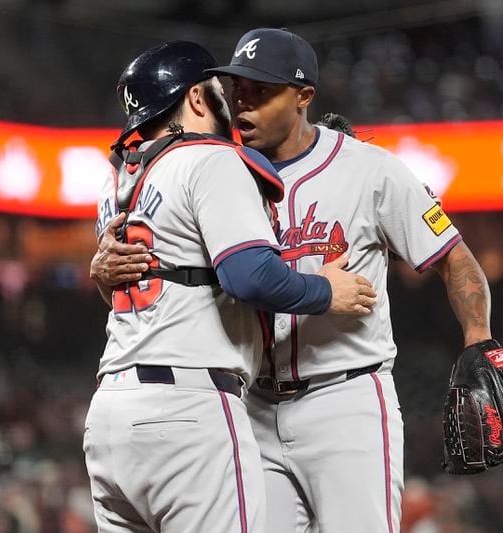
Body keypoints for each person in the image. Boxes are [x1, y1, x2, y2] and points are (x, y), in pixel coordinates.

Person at [84, 40, 376, 533]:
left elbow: (137, 285)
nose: (234, 102)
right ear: (197, 98)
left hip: (110, 417)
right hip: (188, 413)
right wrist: (326, 290)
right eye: (222, 90)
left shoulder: (115, 185)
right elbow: (248, 276)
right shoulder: (209, 160)